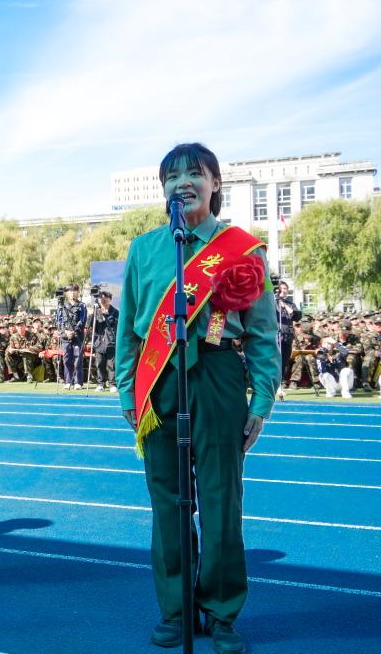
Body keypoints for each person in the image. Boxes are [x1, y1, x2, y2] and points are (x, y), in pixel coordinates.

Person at [116, 143, 279, 653]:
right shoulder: (144, 248)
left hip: (218, 375)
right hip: (158, 379)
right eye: (172, 176)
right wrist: (127, 389)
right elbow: (129, 329)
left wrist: (261, 401)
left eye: (194, 173)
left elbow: (262, 335)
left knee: (220, 501)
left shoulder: (242, 249)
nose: (182, 183)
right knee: (167, 503)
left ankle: (222, 612)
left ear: (215, 184)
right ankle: (176, 609)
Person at [56, 284, 86, 389]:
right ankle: (68, 381)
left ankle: (78, 382)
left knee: (78, 359)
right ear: (67, 293)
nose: (72, 293)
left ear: (78, 292)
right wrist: (66, 332)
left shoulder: (82, 305)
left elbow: (82, 320)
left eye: (74, 290)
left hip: (77, 336)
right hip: (65, 337)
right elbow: (59, 321)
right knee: (67, 359)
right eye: (70, 291)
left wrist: (73, 331)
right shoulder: (62, 305)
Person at [274, 281, 301, 397]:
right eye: (282, 288)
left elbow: (297, 316)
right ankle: (273, 385)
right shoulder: (272, 302)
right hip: (275, 336)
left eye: (286, 289)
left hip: (287, 336)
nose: (284, 291)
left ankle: (280, 384)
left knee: (284, 362)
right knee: (274, 361)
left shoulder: (290, 303)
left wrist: (284, 305)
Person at [92, 291, 118, 392]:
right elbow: (92, 326)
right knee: (99, 364)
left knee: (112, 365)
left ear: (110, 299)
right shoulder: (96, 311)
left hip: (111, 341)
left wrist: (106, 315)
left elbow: (117, 325)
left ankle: (112, 384)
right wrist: (92, 315)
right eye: (101, 298)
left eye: (105, 298)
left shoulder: (115, 312)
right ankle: (100, 384)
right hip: (99, 342)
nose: (103, 300)